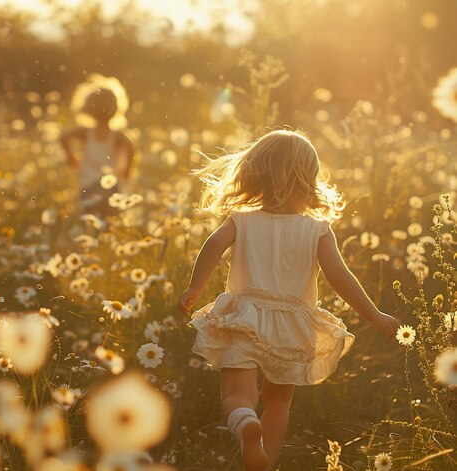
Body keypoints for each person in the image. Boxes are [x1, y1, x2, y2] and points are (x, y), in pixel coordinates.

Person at [178, 129, 399, 471]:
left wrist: (195, 287)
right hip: (293, 323)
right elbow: (340, 277)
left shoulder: (241, 218)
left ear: (254, 173)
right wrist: (374, 314)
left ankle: (246, 423)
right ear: (308, 178)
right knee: (278, 401)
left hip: (243, 315)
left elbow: (213, 245)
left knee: (238, 395)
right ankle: (266, 461)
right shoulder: (317, 228)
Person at [59, 75, 134, 216]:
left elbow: (64, 136)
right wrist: (127, 169)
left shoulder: (86, 133)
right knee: (110, 220)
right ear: (116, 108)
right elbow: (130, 147)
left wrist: (70, 157)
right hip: (110, 188)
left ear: (88, 108)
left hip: (88, 186)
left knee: (90, 219)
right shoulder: (117, 136)